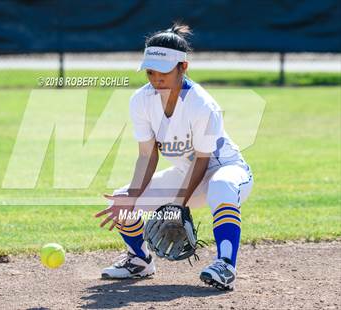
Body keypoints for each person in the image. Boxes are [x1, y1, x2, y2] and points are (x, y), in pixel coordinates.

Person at [95, 23, 254, 291]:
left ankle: (225, 265)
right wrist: (132, 195)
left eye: (164, 70)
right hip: (186, 176)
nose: (156, 77)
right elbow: (147, 155)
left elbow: (203, 160)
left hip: (225, 169)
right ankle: (139, 260)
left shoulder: (201, 104)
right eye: (150, 71)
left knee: (221, 186)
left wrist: (177, 205)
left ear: (183, 67)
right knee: (123, 199)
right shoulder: (141, 101)